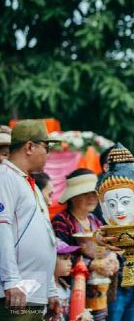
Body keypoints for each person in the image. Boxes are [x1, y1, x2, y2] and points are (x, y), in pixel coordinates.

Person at [0, 120, 60, 320]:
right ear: (29, 147)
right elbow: (2, 228)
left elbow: (46, 238)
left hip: (33, 289)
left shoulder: (28, 182)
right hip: (16, 290)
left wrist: (50, 289)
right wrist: (11, 280)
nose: (48, 154)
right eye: (46, 147)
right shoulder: (4, 176)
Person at [51, 169, 118, 321]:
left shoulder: (95, 220)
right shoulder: (61, 221)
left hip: (99, 291)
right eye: (85, 193)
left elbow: (107, 246)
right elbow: (60, 256)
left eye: (94, 193)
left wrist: (111, 259)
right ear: (73, 197)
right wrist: (92, 264)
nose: (92, 198)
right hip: (73, 292)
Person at [44, 239, 85, 321]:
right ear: (50, 260)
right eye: (65, 259)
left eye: (70, 259)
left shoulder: (65, 286)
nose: (70, 263)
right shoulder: (43, 289)